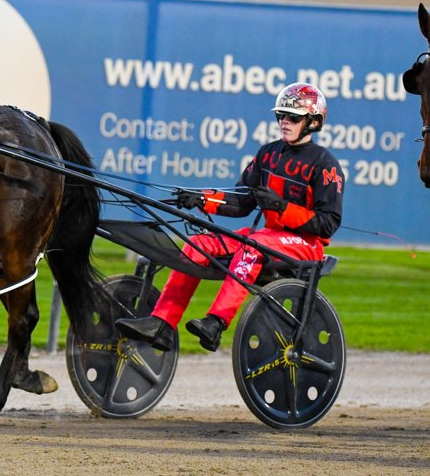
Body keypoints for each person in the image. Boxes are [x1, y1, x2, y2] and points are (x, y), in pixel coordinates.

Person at [115, 83, 345, 352]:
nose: (284, 121)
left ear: (313, 122)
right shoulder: (268, 154)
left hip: (306, 246)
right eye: (281, 115)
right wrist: (202, 199)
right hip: (268, 238)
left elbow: (328, 223)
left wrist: (282, 207)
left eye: (293, 117)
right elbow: (241, 201)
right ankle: (162, 325)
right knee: (198, 244)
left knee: (253, 244)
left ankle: (215, 323)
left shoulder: (325, 164)